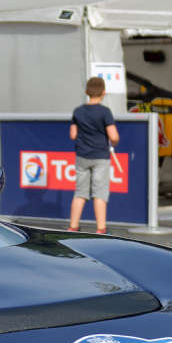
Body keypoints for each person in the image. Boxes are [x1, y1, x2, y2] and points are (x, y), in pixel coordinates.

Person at [68, 76, 119, 234]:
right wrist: (114, 144)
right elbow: (114, 136)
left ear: (87, 92)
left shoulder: (78, 111)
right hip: (100, 157)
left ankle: (73, 226)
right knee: (100, 193)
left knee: (80, 192)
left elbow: (73, 134)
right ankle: (100, 228)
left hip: (82, 156)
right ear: (103, 92)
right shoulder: (105, 112)